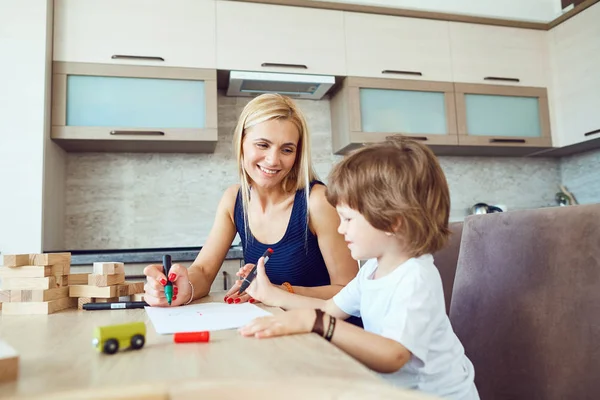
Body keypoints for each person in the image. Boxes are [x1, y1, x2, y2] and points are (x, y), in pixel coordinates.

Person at [239, 137, 479, 400]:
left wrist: (317, 324)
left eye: (348, 219)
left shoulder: (415, 278)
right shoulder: (372, 270)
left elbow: (394, 355)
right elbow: (329, 308)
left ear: (392, 222)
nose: (340, 229)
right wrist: (271, 294)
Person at [142, 93, 358, 307]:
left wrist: (281, 291)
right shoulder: (234, 199)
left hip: (327, 334)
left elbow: (348, 291)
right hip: (275, 327)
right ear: (242, 143)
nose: (273, 160)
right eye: (263, 145)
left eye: (287, 149)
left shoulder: (317, 202)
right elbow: (204, 272)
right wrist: (183, 288)